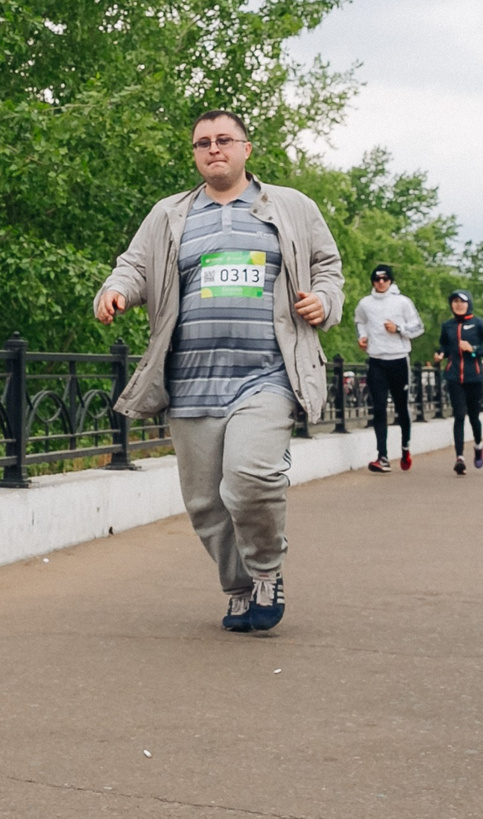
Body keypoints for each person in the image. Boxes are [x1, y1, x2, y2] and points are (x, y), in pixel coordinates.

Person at [94, 109, 343, 633]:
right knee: (207, 503)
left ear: (246, 149)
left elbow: (327, 266)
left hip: (267, 374)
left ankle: (267, 573)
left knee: (251, 477)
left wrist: (324, 299)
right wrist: (115, 291)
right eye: (203, 142)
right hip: (190, 378)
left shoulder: (292, 206)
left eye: (224, 139)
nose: (213, 149)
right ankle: (239, 590)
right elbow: (135, 265)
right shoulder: (169, 214)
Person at [353, 263, 423, 473]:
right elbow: (359, 321)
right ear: (373, 281)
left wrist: (398, 329)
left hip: (398, 358)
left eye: (385, 279)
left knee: (402, 408)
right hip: (376, 359)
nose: (381, 282)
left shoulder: (403, 302)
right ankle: (382, 456)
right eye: (377, 279)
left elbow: (418, 327)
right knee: (379, 408)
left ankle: (405, 448)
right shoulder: (365, 303)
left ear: (391, 280)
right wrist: (362, 337)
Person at [436, 289, 483, 475]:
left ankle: (479, 446)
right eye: (455, 301)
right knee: (459, 415)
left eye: (462, 302)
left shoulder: (478, 324)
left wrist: (473, 349)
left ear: (468, 303)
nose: (458, 305)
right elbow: (444, 346)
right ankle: (459, 458)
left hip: (475, 377)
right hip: (454, 376)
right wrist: (441, 354)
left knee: (473, 416)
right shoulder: (447, 326)